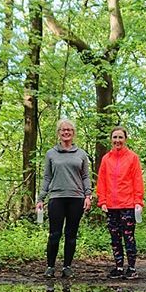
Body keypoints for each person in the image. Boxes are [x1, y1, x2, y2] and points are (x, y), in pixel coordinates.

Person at [36, 119, 92, 279]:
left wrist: (88, 195)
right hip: (56, 198)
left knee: (71, 234)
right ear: (58, 133)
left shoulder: (81, 154)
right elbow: (47, 177)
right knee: (54, 234)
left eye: (69, 130)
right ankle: (50, 267)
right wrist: (41, 198)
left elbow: (85, 176)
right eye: (63, 130)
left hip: (76, 198)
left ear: (73, 133)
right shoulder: (51, 153)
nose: (66, 132)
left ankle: (67, 267)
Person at [96, 126, 144, 279]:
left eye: (120, 137)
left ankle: (131, 268)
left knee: (128, 237)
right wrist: (102, 200)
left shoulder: (132, 157)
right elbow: (101, 181)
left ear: (125, 139)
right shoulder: (106, 159)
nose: (117, 140)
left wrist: (138, 201)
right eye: (115, 137)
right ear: (111, 140)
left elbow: (137, 180)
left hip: (128, 205)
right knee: (115, 238)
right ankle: (118, 267)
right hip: (111, 206)